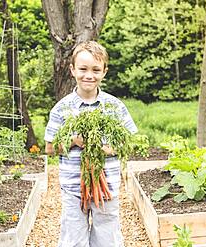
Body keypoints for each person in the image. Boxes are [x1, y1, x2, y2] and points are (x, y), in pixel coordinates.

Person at [44, 41, 137, 247]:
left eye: (96, 69)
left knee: (108, 238)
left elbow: (131, 143)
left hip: (107, 187)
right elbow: (49, 148)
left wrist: (106, 150)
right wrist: (74, 141)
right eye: (83, 69)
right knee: (73, 239)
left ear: (104, 72)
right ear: (72, 70)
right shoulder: (62, 108)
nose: (89, 75)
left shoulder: (115, 106)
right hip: (73, 187)